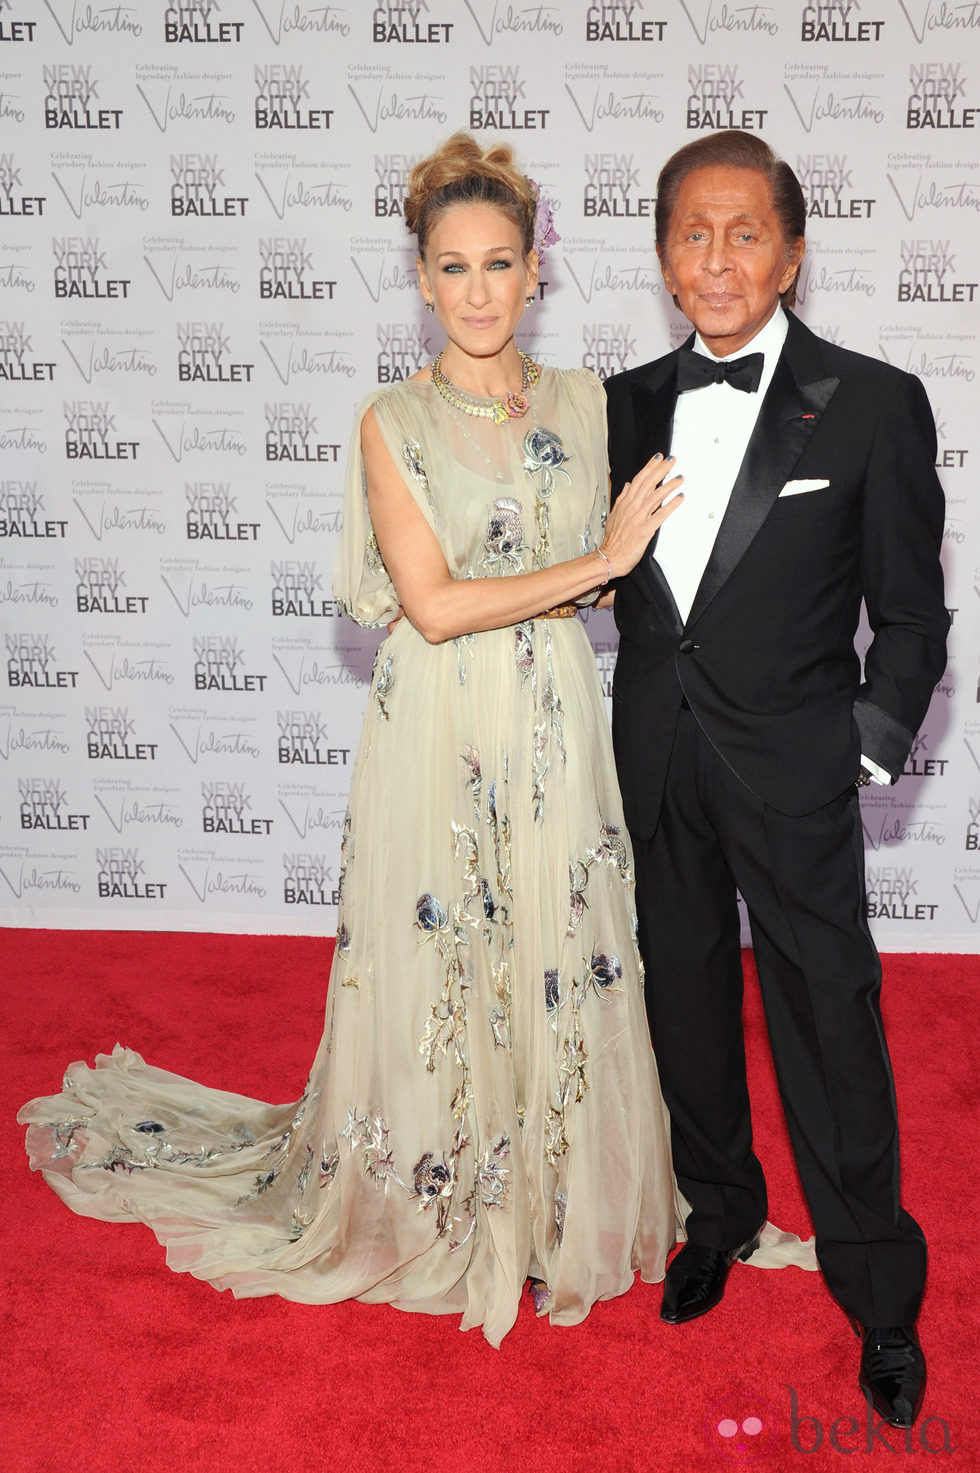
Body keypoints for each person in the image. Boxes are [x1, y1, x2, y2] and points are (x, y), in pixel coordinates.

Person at [19, 133, 685, 1348]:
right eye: (452, 266)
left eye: (499, 263)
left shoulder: (591, 402)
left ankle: (549, 1201)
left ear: (536, 270)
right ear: (420, 281)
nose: (479, 289)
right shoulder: (391, 422)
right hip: (437, 720)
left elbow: (608, 592)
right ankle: (439, 1196)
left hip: (546, 716)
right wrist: (596, 562)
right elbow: (430, 604)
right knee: (445, 952)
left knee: (553, 938)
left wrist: (605, 578)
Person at [605, 129, 948, 1426]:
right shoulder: (624, 401)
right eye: (692, 232)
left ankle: (878, 1291)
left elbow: (912, 616)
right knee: (683, 1002)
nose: (717, 256)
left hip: (796, 767)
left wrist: (866, 739)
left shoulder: (872, 400)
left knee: (829, 1026)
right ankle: (723, 1216)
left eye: (745, 231)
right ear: (660, 256)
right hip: (658, 756)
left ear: (794, 251)